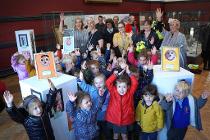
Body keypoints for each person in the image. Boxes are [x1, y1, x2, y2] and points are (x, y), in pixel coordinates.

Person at [105, 65, 138, 140]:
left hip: (125, 120)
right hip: (114, 119)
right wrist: (115, 75)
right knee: (115, 135)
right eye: (119, 87)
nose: (122, 89)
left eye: (124, 87)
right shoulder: (113, 91)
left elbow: (135, 83)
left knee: (124, 136)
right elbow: (107, 83)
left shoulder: (130, 93)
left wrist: (129, 73)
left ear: (128, 87)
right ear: (116, 86)